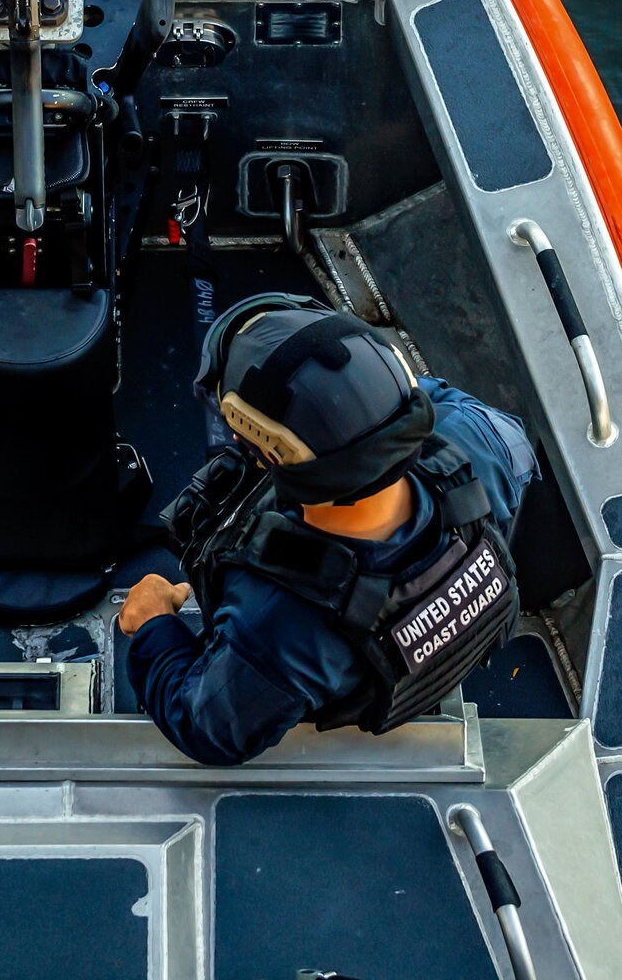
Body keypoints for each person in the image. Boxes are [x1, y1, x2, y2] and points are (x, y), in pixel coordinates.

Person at [119, 293, 537, 766]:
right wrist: (348, 408)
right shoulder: (486, 440)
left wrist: (154, 623)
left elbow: (206, 727)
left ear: (273, 456)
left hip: (323, 668)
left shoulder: (281, 622)